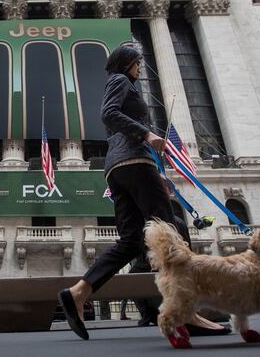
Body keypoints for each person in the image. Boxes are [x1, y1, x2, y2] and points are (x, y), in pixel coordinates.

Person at [57, 45, 227, 340]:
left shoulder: (119, 83)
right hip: (134, 161)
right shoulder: (121, 81)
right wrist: (147, 134)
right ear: (127, 63)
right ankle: (186, 312)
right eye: (137, 63)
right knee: (173, 232)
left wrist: (154, 169)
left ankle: (78, 292)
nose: (140, 68)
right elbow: (108, 114)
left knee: (132, 241)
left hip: (119, 167)